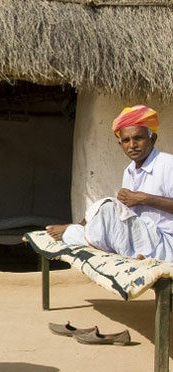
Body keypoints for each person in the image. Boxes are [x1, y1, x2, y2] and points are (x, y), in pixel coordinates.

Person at [47, 105, 173, 260]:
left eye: (138, 138)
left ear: (152, 139)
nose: (132, 145)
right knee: (99, 211)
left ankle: (78, 230)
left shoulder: (168, 164)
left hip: (165, 242)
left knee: (109, 206)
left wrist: (144, 198)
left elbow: (137, 201)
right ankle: (79, 230)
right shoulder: (129, 171)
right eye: (126, 140)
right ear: (120, 145)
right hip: (139, 237)